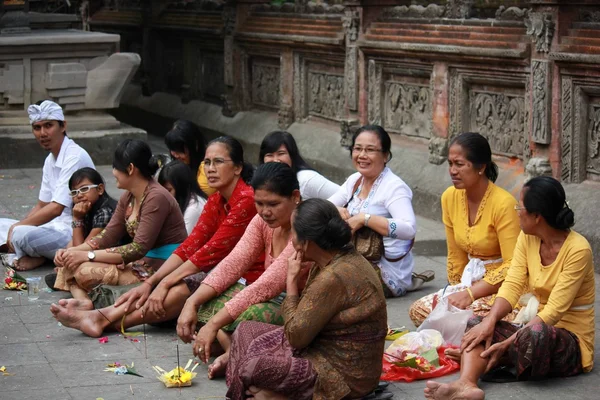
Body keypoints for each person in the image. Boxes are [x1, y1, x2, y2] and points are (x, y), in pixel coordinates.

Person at [50, 136, 258, 337]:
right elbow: (189, 246)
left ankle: (103, 319)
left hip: (235, 274)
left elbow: (205, 252)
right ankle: (99, 315)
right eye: (207, 162)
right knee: (75, 266)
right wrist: (75, 252)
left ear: (238, 167)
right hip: (189, 267)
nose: (210, 168)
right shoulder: (215, 200)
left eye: (218, 162)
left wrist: (160, 282)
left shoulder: (244, 200)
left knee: (177, 288)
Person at [425, 176, 595, 400]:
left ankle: (493, 358)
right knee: (477, 324)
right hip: (531, 326)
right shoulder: (528, 237)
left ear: (537, 216)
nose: (516, 212)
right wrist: (489, 322)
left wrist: (506, 344)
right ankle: (465, 384)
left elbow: (554, 311)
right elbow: (512, 284)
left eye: (520, 207)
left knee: (534, 336)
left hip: (567, 340)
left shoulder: (578, 250)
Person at [226, 199, 388, 400]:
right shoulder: (333, 259)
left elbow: (296, 337)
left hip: (343, 374)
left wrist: (291, 282)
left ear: (306, 242)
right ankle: (261, 392)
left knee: (254, 367)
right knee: (245, 330)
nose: (290, 239)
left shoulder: (334, 276)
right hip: (317, 346)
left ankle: (260, 393)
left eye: (293, 232)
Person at [178, 162, 305, 379]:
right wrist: (192, 302)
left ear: (295, 197)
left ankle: (233, 353)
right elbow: (233, 263)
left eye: (273, 204)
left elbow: (266, 286)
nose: (265, 212)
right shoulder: (261, 222)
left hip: (301, 306)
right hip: (270, 297)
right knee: (207, 306)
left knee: (244, 319)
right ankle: (234, 348)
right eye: (259, 203)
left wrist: (213, 325)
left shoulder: (304, 229)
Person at [52, 139, 188, 305]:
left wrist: (87, 255)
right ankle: (84, 302)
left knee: (83, 271)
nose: (113, 172)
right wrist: (72, 252)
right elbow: (108, 236)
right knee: (69, 265)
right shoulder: (128, 196)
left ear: (130, 169)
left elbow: (138, 248)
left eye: (115, 167)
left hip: (161, 268)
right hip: (139, 262)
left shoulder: (156, 197)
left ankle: (91, 299)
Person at [409, 132, 521, 328]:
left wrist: (471, 294)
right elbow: (456, 255)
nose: (452, 170)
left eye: (459, 164)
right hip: (469, 283)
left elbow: (514, 264)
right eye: (450, 164)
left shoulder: (504, 203)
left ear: (481, 167)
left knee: (471, 318)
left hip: (503, 288)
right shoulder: (449, 197)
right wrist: (455, 291)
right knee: (420, 310)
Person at [328, 124, 431, 297]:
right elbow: (323, 207)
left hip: (386, 272)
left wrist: (364, 218)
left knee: (331, 284)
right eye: (358, 149)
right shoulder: (355, 181)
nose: (362, 155)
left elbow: (409, 228)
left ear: (385, 156)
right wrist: (335, 209)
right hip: (355, 259)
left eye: (370, 150)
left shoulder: (394, 187)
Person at [0, 100, 95, 271]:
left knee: (20, 234)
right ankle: (36, 253)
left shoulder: (74, 156)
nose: (43, 133)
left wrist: (18, 229)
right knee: (6, 226)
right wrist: (20, 225)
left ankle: (39, 256)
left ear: (63, 126)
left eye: (48, 126)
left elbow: (56, 209)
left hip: (75, 230)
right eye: (37, 128)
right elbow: (42, 205)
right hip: (52, 226)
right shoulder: (49, 160)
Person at [45, 168, 117, 289]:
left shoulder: (106, 211)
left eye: (84, 189)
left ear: (100, 189)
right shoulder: (87, 208)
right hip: (92, 250)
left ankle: (66, 278)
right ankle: (67, 275)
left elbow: (82, 250)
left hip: (112, 256)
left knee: (80, 267)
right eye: (74, 192)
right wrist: (65, 254)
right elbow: (75, 244)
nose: (79, 195)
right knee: (69, 248)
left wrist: (77, 219)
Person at [259, 130, 340, 199]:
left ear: (292, 155)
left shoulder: (306, 180)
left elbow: (345, 197)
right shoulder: (263, 181)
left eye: (281, 153)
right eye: (269, 155)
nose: (275, 160)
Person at [165, 119, 216, 196]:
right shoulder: (174, 165)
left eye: (179, 150)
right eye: (172, 149)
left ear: (195, 145)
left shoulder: (208, 169)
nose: (175, 155)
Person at [157, 160, 207, 234]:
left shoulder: (192, 209)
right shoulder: (184, 200)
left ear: (181, 188)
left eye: (169, 190)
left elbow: (183, 241)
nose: (164, 195)